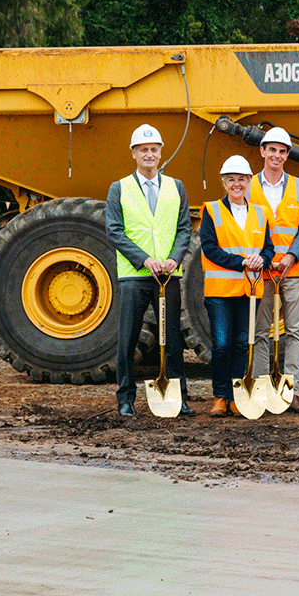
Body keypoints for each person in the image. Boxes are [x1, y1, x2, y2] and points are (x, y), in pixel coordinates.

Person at [105, 123, 195, 417]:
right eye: (143, 149)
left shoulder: (176, 186)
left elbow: (184, 228)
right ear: (133, 153)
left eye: (154, 149)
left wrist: (174, 259)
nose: (149, 154)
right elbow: (115, 231)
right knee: (128, 338)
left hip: (168, 275)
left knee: (172, 339)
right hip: (134, 276)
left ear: (160, 153)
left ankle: (178, 398)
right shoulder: (119, 188)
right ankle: (125, 398)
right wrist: (144, 259)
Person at [199, 155, 275, 417]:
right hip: (220, 291)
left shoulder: (261, 213)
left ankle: (235, 397)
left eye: (241, 179)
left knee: (242, 344)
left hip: (249, 290)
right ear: (224, 182)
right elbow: (209, 248)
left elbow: (268, 248)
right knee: (221, 345)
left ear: (249, 181)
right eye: (231, 179)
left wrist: (262, 259)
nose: (236, 184)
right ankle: (220, 397)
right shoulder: (211, 210)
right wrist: (241, 262)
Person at [249, 126, 299, 413]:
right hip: (261, 271)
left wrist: (291, 256)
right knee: (260, 331)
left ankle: (292, 390)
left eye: (282, 151)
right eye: (272, 149)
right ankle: (261, 388)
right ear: (262, 151)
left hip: (293, 270)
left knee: (295, 330)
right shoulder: (247, 185)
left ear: (287, 155)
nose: (276, 155)